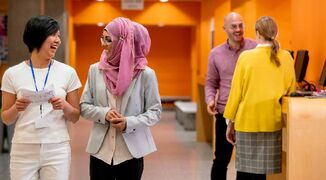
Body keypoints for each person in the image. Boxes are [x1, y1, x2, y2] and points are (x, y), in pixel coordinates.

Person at [80, 17, 161, 180]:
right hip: (100, 152)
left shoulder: (145, 74)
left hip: (131, 153)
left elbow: (155, 112)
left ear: (124, 42)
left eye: (108, 39)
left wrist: (128, 123)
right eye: (102, 38)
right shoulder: (96, 70)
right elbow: (84, 106)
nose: (103, 44)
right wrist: (104, 113)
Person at [1, 16, 81, 180]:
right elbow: (6, 119)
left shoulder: (68, 72)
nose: (58, 40)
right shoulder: (12, 74)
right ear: (37, 36)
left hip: (57, 147)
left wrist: (65, 106)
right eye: (53, 35)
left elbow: (75, 116)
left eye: (59, 36)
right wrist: (17, 107)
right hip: (23, 148)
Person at [224, 16, 296, 180]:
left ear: (257, 33)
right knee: (262, 175)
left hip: (246, 122)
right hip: (272, 123)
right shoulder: (286, 57)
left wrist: (229, 121)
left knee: (244, 173)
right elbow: (292, 91)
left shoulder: (245, 57)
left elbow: (236, 92)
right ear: (276, 33)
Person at [205, 12, 256, 180]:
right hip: (224, 113)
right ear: (224, 28)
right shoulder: (215, 54)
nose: (238, 29)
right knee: (221, 160)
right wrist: (210, 99)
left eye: (241, 25)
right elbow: (211, 82)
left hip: (249, 115)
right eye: (233, 26)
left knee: (247, 163)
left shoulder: (255, 49)